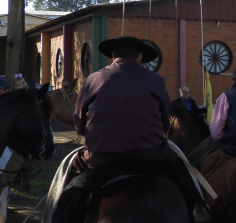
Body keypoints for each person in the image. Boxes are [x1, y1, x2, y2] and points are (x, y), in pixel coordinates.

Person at [73, 36, 172, 171]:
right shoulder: (156, 79)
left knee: (68, 173)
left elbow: (79, 125)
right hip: (149, 154)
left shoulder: (92, 79)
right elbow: (165, 122)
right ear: (139, 57)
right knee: (183, 172)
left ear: (113, 57)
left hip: (100, 156)